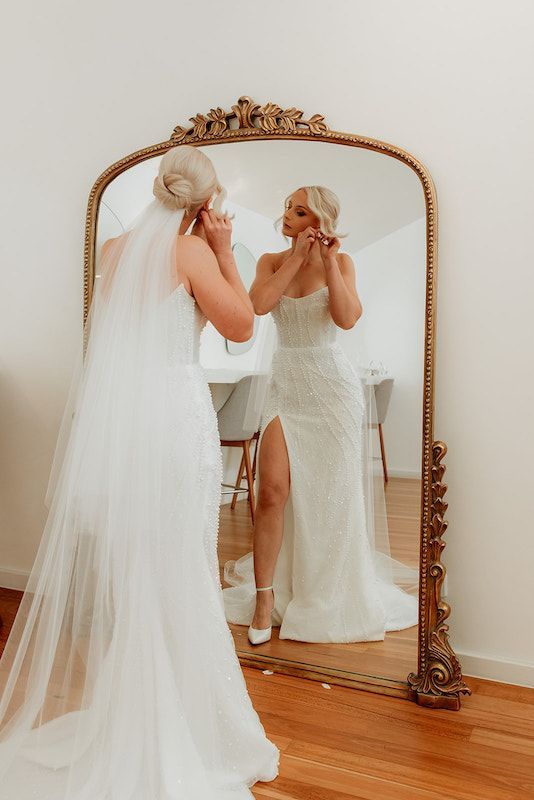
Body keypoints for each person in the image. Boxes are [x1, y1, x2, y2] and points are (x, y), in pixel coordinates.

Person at [0, 145, 279, 798]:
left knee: (140, 574)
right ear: (207, 203)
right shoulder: (192, 254)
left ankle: (139, 711)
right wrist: (225, 249)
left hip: (127, 421)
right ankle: (178, 728)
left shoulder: (114, 252)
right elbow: (242, 326)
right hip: (176, 420)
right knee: (182, 566)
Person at [222, 186, 418, 645]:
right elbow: (259, 305)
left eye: (300, 210)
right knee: (270, 492)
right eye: (288, 206)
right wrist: (296, 254)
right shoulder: (271, 260)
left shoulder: (343, 264)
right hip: (285, 387)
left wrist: (329, 260)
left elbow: (347, 319)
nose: (286, 214)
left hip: (332, 391)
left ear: (320, 221)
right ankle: (266, 597)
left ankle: (327, 590)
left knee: (333, 498)